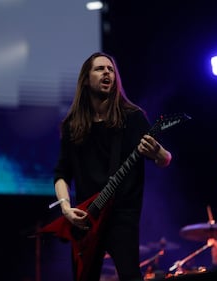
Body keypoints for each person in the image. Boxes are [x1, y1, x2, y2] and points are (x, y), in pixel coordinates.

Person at [52, 52, 172, 281]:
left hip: (122, 217)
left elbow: (165, 160)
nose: (107, 72)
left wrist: (159, 152)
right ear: (86, 79)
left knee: (129, 275)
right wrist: (66, 209)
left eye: (111, 69)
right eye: (100, 69)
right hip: (87, 219)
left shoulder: (133, 118)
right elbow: (61, 174)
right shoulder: (72, 126)